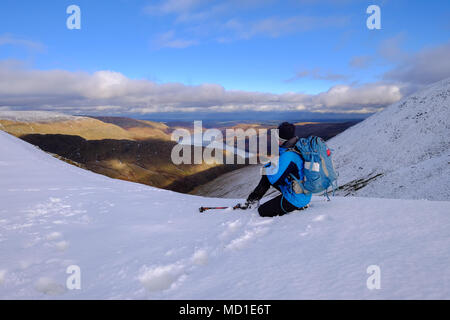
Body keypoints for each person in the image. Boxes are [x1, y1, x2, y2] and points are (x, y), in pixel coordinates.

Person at [245, 122, 312, 217]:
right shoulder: (294, 148)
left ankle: (300, 207)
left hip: (297, 199)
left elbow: (276, 179)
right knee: (267, 176)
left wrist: (267, 169)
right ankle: (252, 201)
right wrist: (269, 168)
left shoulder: (289, 155)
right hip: (299, 189)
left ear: (281, 140)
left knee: (262, 211)